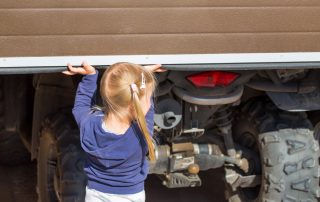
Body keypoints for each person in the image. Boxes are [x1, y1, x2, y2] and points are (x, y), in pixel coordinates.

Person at [63, 62, 165, 202]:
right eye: (148, 99)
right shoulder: (140, 135)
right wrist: (143, 75)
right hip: (131, 196)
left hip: (95, 195)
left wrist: (91, 76)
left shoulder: (89, 126)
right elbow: (146, 112)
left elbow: (81, 107)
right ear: (137, 104)